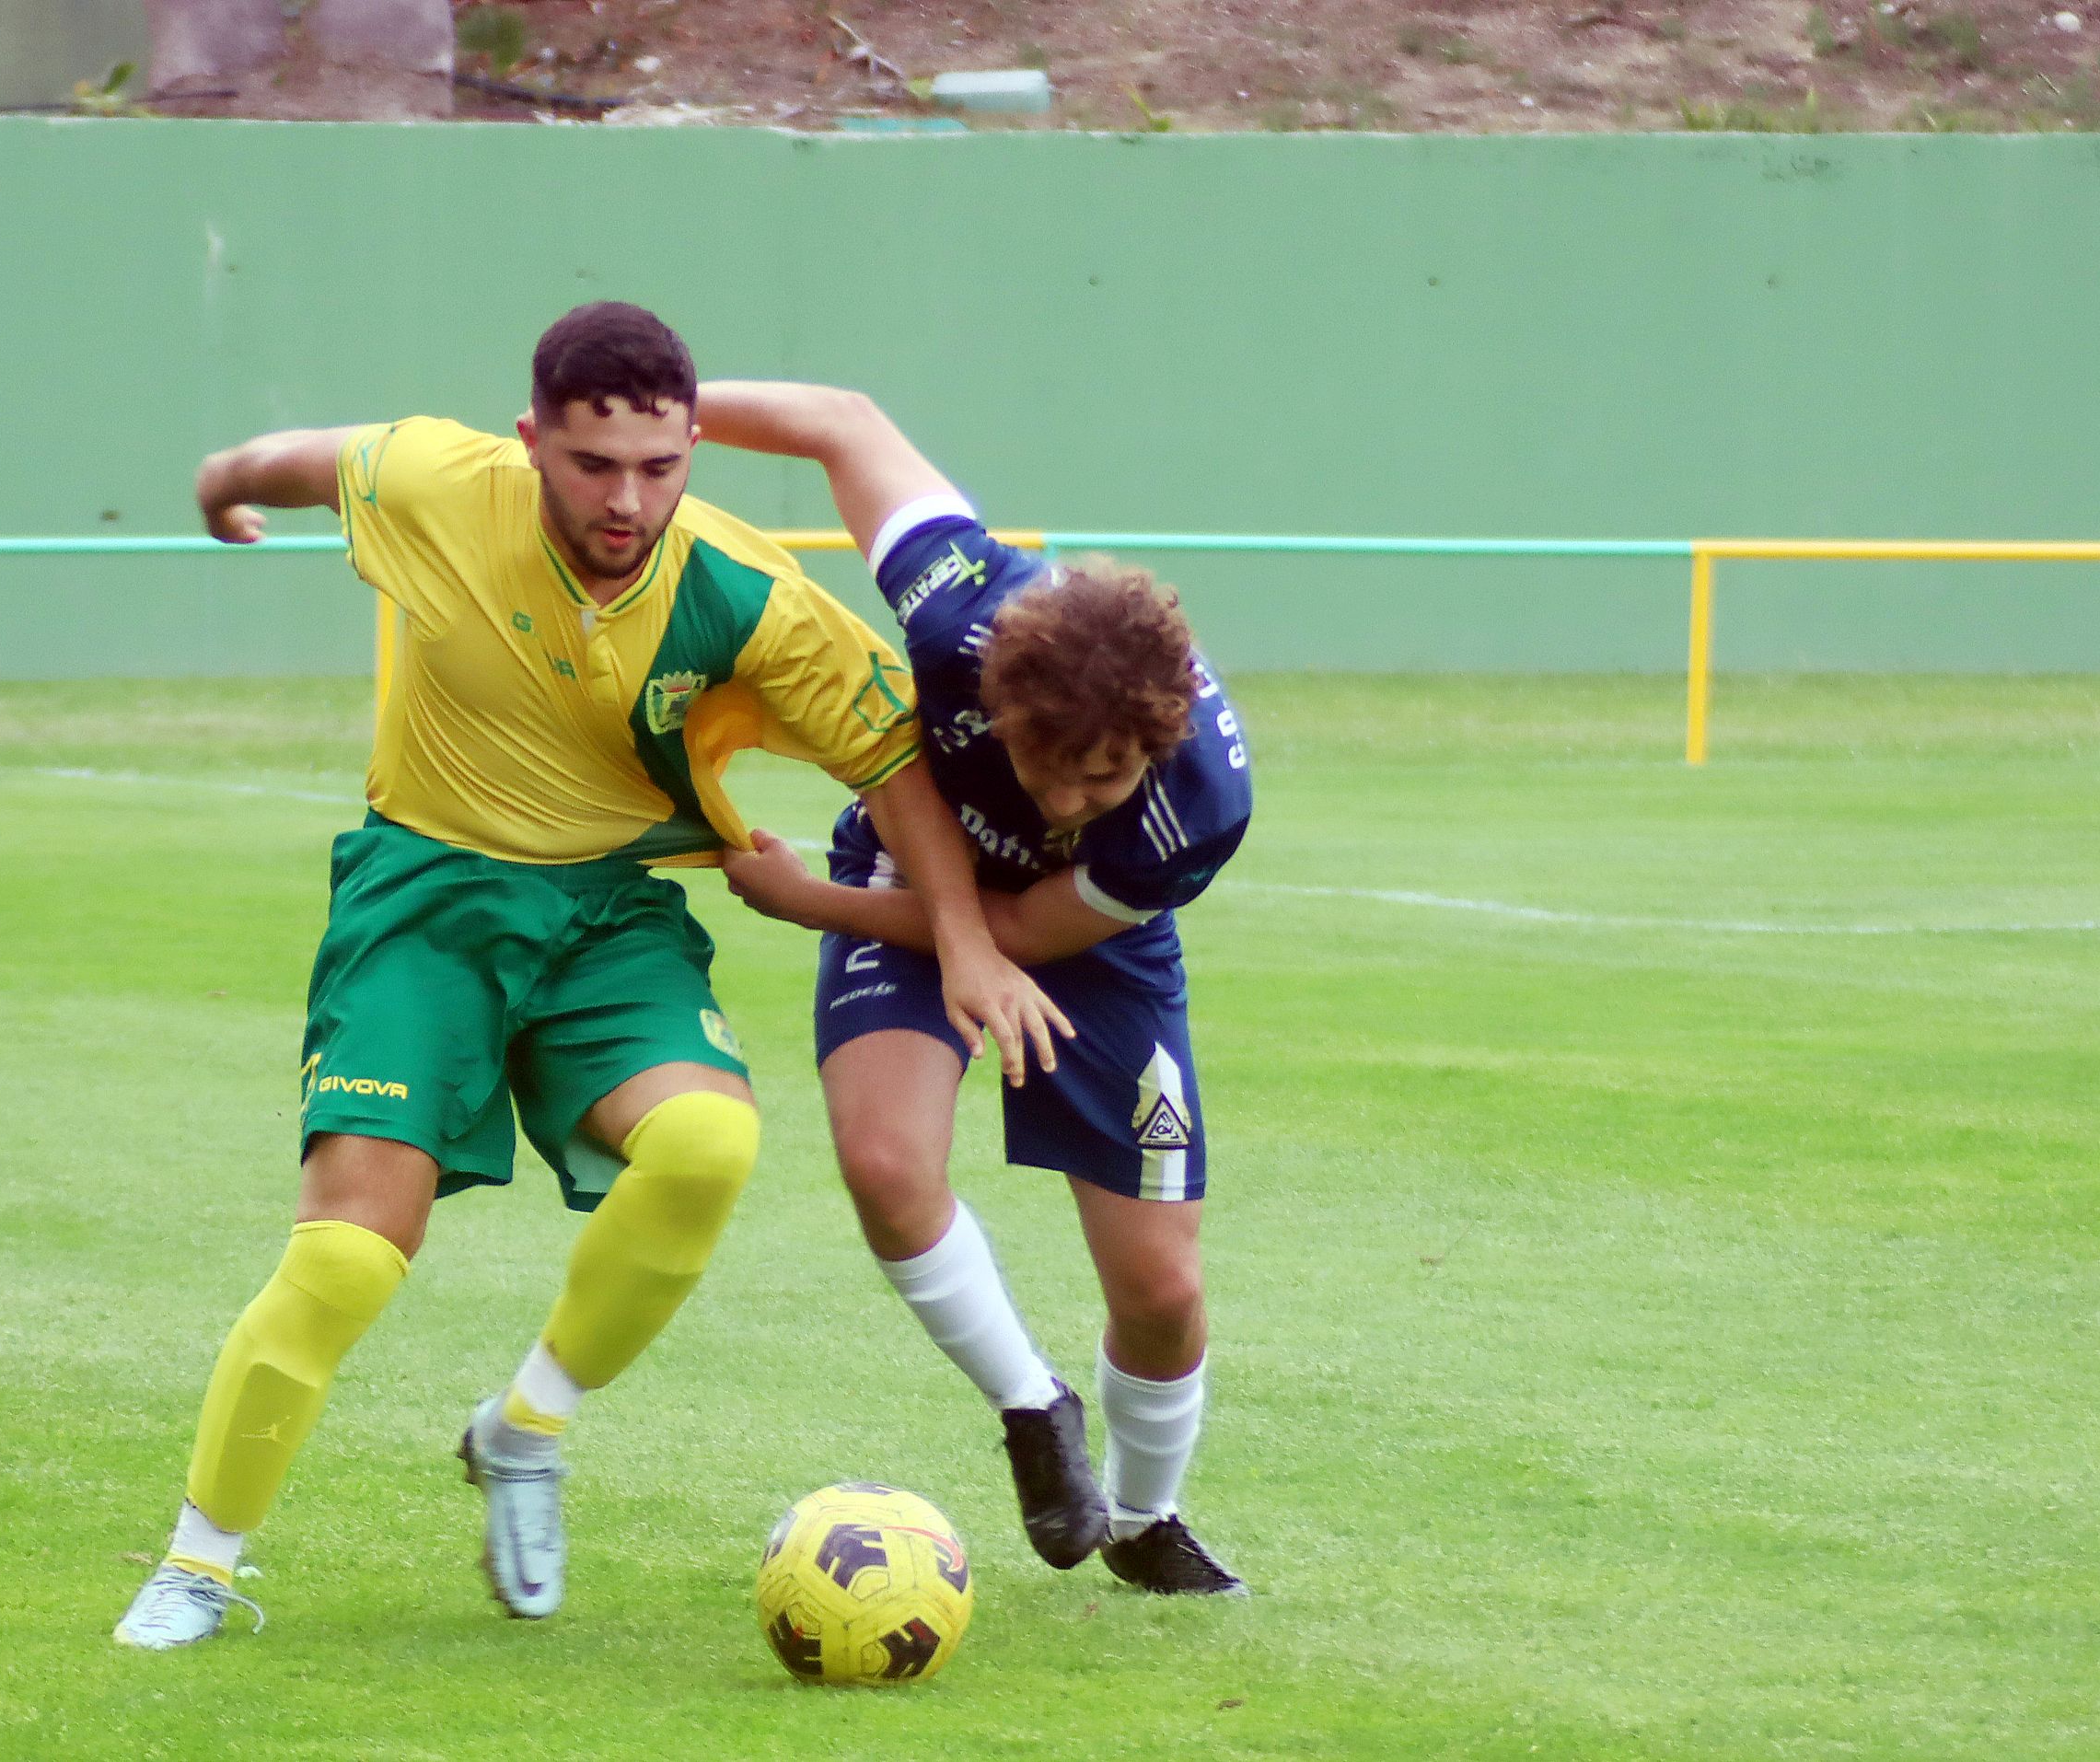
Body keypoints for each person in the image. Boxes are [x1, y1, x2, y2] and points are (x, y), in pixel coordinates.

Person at [114, 306, 1066, 1648]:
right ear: (529, 443)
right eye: (590, 465)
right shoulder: (436, 480)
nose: (628, 501)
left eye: (660, 468)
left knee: (706, 1142)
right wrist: (221, 488)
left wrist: (965, 944)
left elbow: (891, 762)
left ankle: (525, 1428)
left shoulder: (743, 595)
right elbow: (287, 459)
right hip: (424, 898)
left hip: (607, 915)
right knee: (343, 1256)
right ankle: (198, 1567)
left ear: (689, 449)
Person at [697, 378, 1256, 1596]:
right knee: (886, 1164)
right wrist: (662, 416)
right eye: (1040, 766)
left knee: (1161, 1286)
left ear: (1152, 742)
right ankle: (1030, 1407)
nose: (1063, 800)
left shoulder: (1191, 808)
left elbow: (1013, 929)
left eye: (1097, 779)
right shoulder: (960, 612)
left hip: (1084, 937)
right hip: (910, 865)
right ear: (995, 698)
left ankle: (1143, 1520)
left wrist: (809, 904)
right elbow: (841, 421)